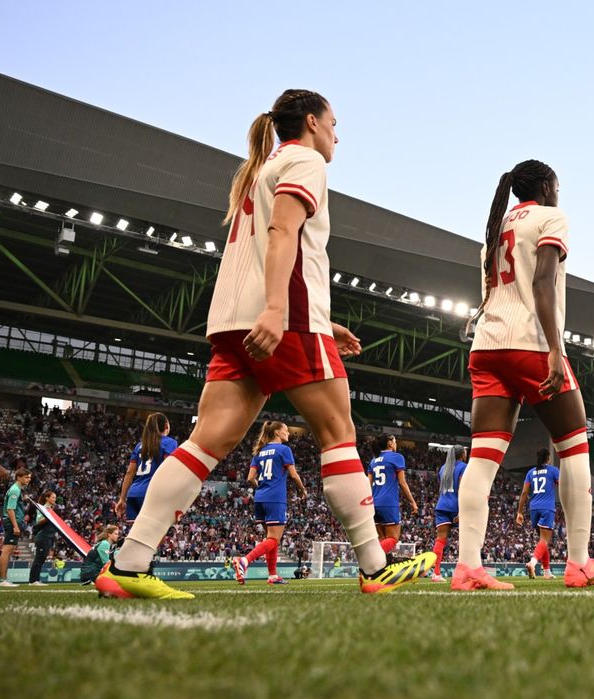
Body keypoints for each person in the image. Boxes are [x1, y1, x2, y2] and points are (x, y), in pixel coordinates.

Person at [99, 90, 433, 600]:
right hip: (282, 320)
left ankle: (127, 564)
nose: (338, 135)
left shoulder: (260, 169)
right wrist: (281, 312)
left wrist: (324, 320)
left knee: (204, 443)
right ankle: (374, 566)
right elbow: (282, 233)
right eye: (335, 124)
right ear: (314, 122)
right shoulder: (305, 160)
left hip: (234, 320)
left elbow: (268, 250)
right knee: (338, 433)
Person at [462, 159, 594, 589]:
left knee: (481, 460)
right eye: (558, 186)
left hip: (487, 346)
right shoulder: (551, 217)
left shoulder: (495, 230)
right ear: (549, 187)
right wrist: (555, 347)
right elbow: (543, 282)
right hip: (529, 342)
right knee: (574, 448)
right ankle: (579, 563)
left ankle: (467, 567)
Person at [235, 421, 308, 585]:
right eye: (286, 430)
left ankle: (273, 575)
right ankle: (245, 561)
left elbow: (250, 478)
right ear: (277, 432)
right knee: (274, 539)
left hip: (260, 497)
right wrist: (302, 490)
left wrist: (261, 488)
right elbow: (294, 475)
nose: (288, 433)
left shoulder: (259, 452)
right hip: (275, 498)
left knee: (270, 538)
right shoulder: (284, 449)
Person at [114, 413, 178, 524]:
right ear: (166, 426)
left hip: (133, 494)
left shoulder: (139, 446)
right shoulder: (169, 443)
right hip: (153, 494)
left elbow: (129, 473)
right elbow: (169, 469)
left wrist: (122, 499)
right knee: (155, 535)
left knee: (135, 535)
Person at [369, 434, 418, 558]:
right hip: (388, 503)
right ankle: (370, 559)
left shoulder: (373, 460)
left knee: (382, 538)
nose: (396, 444)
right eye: (395, 441)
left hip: (374, 503)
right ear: (390, 443)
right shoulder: (397, 457)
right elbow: (402, 482)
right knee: (392, 538)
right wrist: (412, 502)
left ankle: (378, 571)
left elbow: (367, 484)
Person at [517, 449, 560, 580]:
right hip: (547, 507)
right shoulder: (553, 470)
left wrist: (519, 511)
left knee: (543, 541)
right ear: (548, 458)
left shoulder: (530, 472)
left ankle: (546, 572)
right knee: (544, 540)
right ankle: (533, 562)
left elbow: (524, 493)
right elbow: (562, 486)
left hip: (533, 508)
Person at [429, 446, 466, 582]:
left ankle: (436, 573)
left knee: (440, 539)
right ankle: (465, 572)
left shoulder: (443, 468)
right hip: (456, 506)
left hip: (442, 504)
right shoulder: (464, 467)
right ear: (462, 454)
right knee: (467, 539)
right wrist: (462, 510)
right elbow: (463, 489)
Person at [0, 468, 31, 587]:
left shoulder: (17, 490)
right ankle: (2, 580)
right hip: (13, 522)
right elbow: (10, 509)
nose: (29, 479)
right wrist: (16, 526)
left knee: (8, 550)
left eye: (30, 477)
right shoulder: (15, 490)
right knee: (6, 550)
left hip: (13, 521)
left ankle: (3, 579)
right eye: (26, 477)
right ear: (19, 477)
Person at [27, 490, 60, 585]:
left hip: (48, 536)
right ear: (47, 498)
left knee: (42, 559)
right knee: (39, 558)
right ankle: (33, 581)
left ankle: (36, 579)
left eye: (55, 497)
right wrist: (49, 517)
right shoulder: (43, 509)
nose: (55, 499)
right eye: (53, 497)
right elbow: (39, 521)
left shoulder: (50, 509)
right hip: (43, 536)